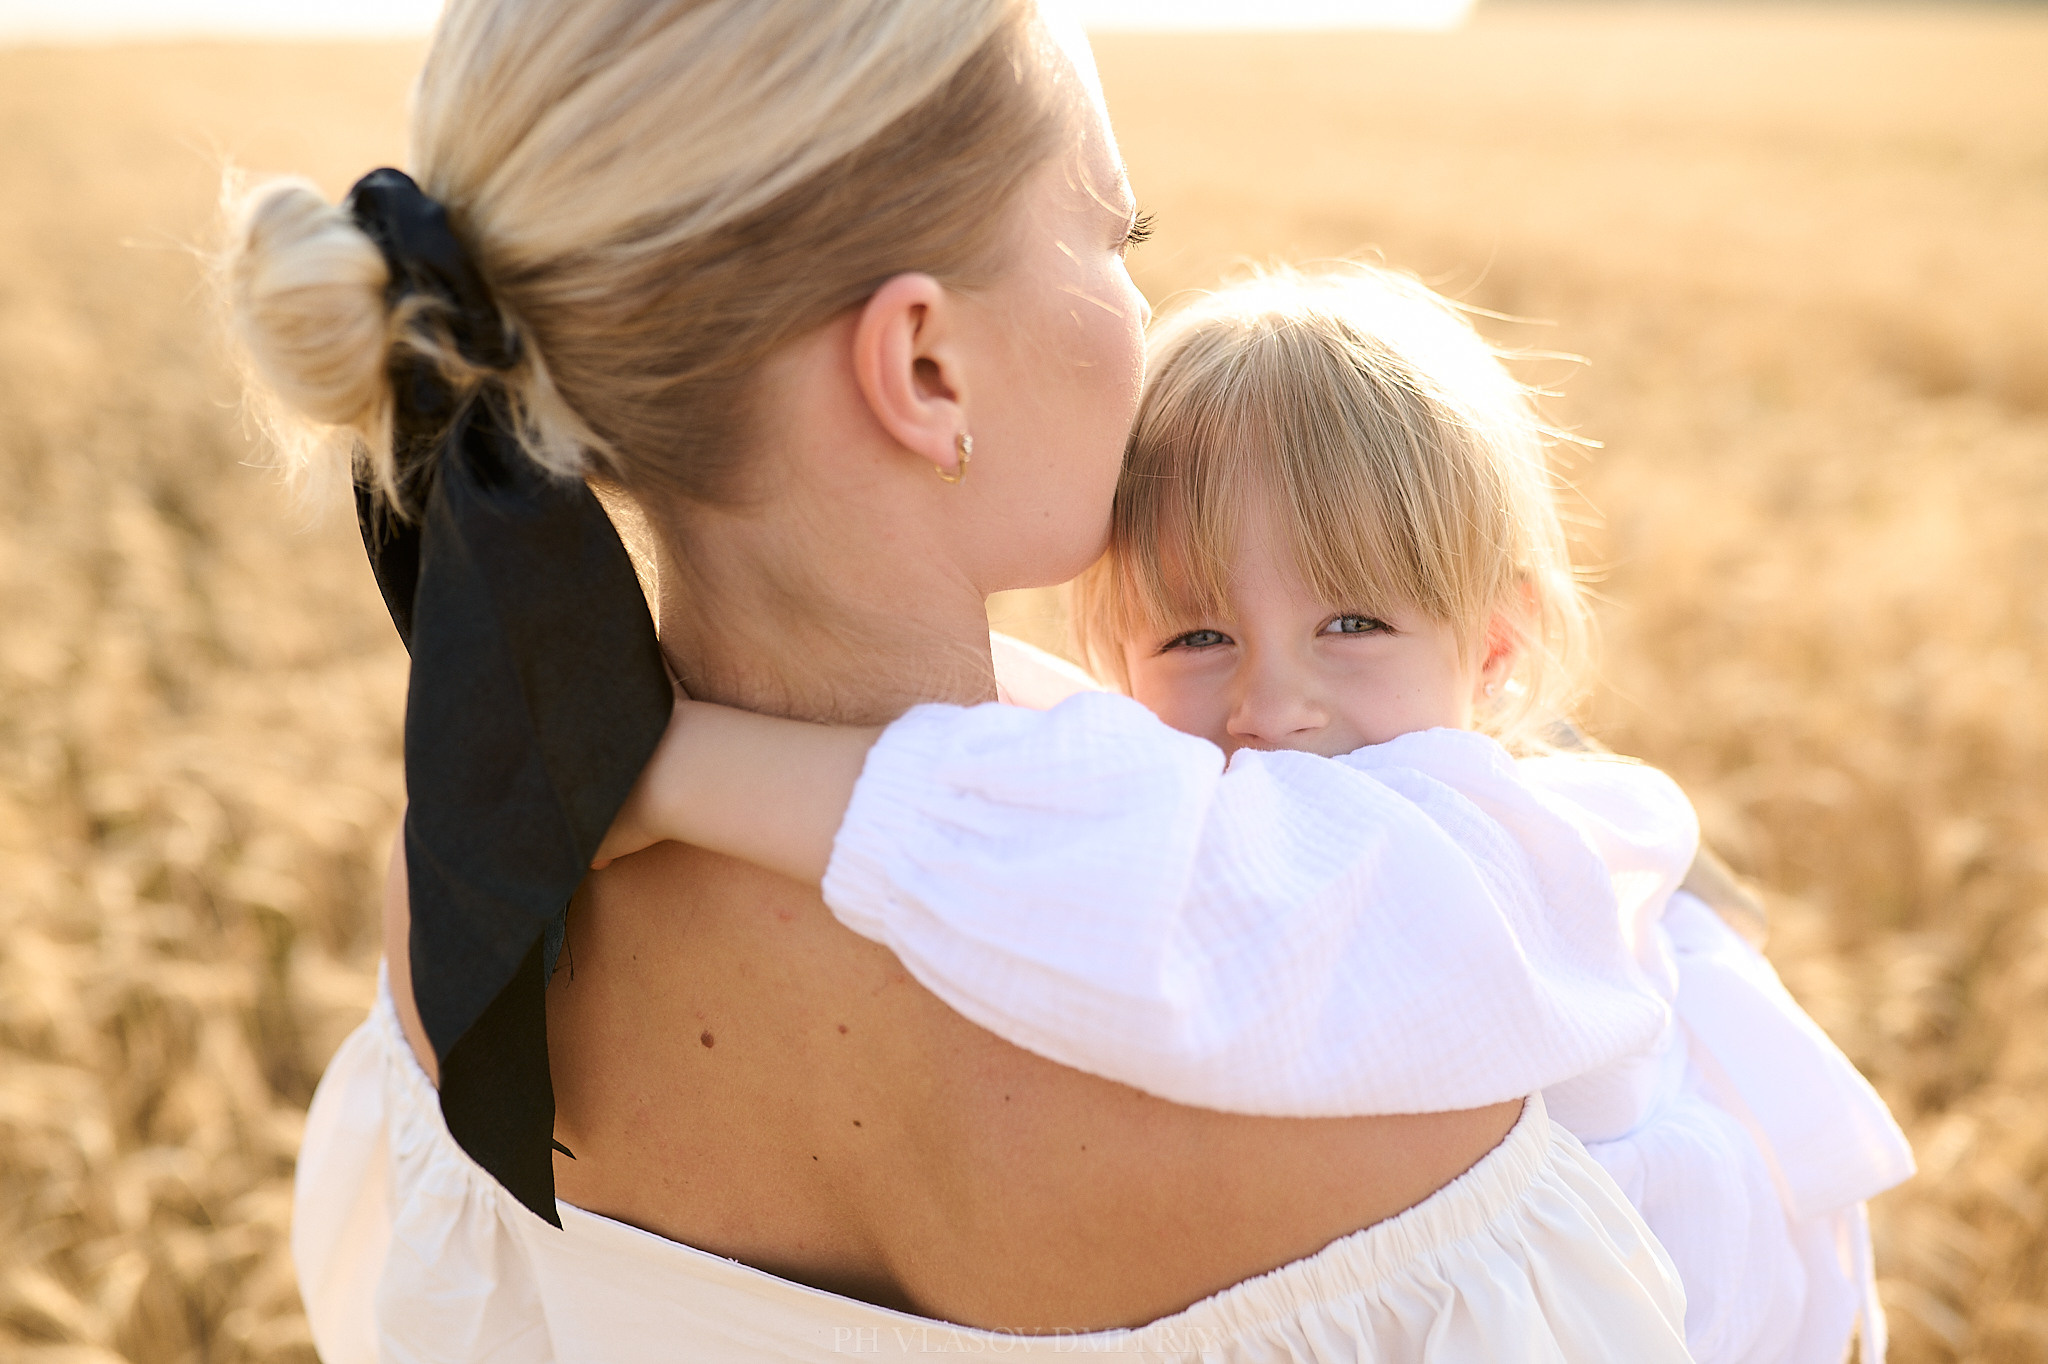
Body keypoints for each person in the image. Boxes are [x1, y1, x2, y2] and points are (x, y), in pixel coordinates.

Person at [230, 1, 1695, 1358]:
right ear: (926, 367)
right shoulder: (1389, 1061)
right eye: (1119, 234)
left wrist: (635, 759)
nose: (1139, 302)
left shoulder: (468, 918)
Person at [598, 268, 1916, 1363]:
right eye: (1198, 633)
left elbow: (1117, 872)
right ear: (1116, 656)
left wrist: (663, 768)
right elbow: (1071, 775)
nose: (1270, 703)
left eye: (1353, 624)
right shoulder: (1339, 769)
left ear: (1499, 646)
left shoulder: (1465, 859)